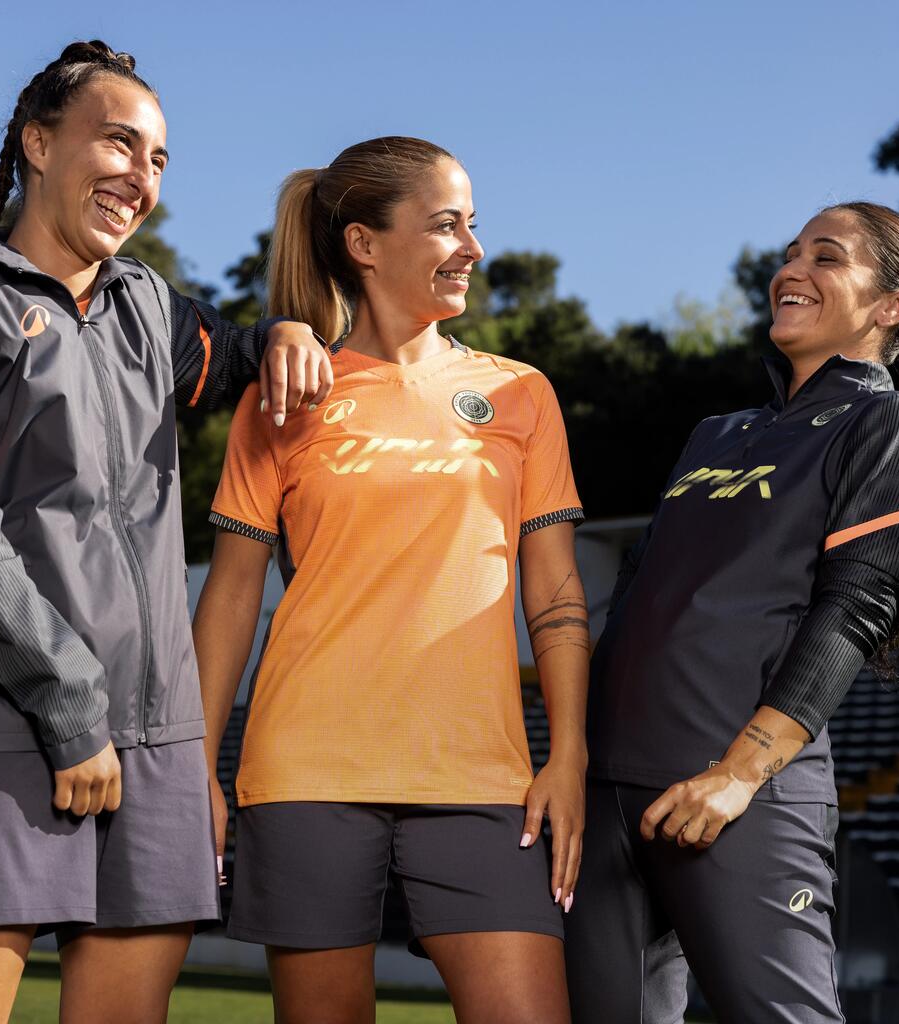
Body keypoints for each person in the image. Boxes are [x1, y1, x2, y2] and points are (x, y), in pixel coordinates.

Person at [0, 40, 330, 1023]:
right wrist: (70, 708)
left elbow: (236, 356)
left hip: (158, 742)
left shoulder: (145, 303)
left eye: (157, 159)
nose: (140, 175)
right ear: (39, 143)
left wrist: (284, 332)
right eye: (117, 143)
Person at [194, 136, 589, 1024]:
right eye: (447, 225)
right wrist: (199, 770)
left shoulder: (522, 393)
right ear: (364, 243)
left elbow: (556, 593)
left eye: (473, 224)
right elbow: (231, 595)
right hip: (305, 769)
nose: (473, 248)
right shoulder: (284, 396)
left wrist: (568, 754)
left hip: (481, 778)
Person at [566, 201, 899, 1023]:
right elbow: (637, 591)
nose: (792, 270)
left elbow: (859, 604)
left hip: (735, 795)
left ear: (892, 305)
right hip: (606, 793)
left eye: (826, 257)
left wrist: (736, 776)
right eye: (791, 252)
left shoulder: (890, 422)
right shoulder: (713, 433)